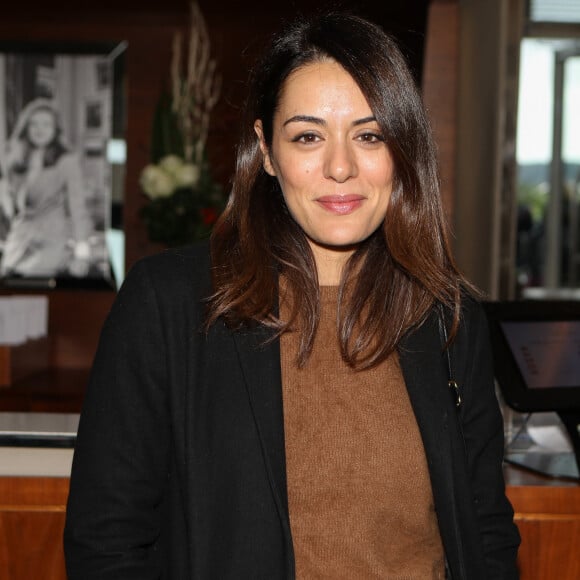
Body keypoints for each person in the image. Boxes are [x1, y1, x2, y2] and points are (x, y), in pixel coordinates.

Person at [64, 12, 520, 579]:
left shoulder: (447, 316)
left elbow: (485, 532)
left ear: (400, 152)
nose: (339, 167)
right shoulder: (171, 304)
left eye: (369, 135)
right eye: (308, 136)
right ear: (267, 151)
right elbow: (107, 543)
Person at [0, 98, 93, 278]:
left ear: (55, 129)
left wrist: (82, 252)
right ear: (26, 127)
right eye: (33, 124)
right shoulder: (16, 159)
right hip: (18, 239)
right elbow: (11, 206)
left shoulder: (67, 161)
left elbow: (77, 207)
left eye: (45, 124)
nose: (39, 129)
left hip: (51, 240)